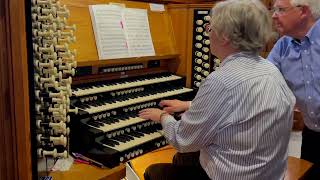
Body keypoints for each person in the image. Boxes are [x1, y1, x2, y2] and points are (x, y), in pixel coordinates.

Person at [139, 0, 296, 179]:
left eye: (210, 28)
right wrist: (190, 104)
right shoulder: (270, 70)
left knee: (154, 171)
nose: (208, 34)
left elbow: (182, 139)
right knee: (186, 158)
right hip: (269, 173)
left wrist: (162, 117)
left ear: (225, 37)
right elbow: (242, 104)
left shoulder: (221, 81)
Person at [267, 0, 320, 165]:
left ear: (303, 11)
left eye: (280, 9)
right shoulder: (283, 46)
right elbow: (261, 80)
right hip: (313, 134)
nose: (274, 15)